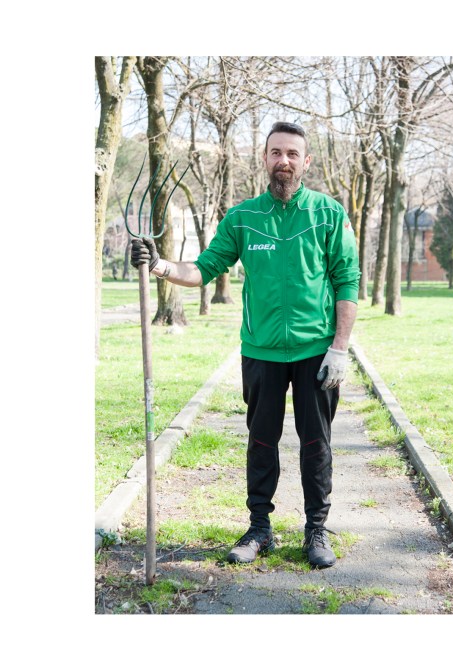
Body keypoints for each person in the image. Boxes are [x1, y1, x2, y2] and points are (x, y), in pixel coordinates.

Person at [130, 121, 360, 568]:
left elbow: (347, 283)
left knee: (317, 443)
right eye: (276, 153)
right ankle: (260, 528)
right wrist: (159, 265)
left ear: (306, 161)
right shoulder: (242, 218)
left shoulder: (329, 214)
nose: (284, 161)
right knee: (261, 441)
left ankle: (316, 530)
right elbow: (203, 268)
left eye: (293, 153)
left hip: (316, 352)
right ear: (265, 159)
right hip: (261, 351)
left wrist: (340, 347)